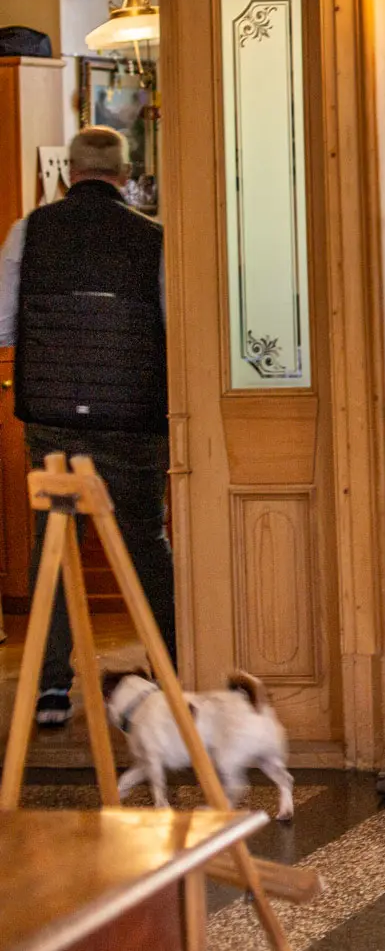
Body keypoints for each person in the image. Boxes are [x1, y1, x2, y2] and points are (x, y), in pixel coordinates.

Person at [1, 126, 172, 730]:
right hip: (133, 417)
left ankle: (50, 691)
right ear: (125, 176)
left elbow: (1, 324)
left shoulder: (30, 230)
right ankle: (170, 671)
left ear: (69, 172)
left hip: (51, 418)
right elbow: (173, 325)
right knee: (146, 544)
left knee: (54, 545)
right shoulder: (153, 236)